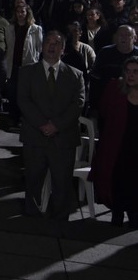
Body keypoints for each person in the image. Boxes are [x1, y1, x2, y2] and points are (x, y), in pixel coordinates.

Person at [18, 30, 85, 219]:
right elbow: (23, 100)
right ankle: (31, 217)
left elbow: (78, 104)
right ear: (41, 47)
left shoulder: (75, 75)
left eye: (56, 43)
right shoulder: (27, 72)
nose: (51, 46)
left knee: (62, 182)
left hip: (63, 138)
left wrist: (56, 125)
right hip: (35, 135)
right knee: (33, 180)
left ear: (63, 49)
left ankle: (60, 219)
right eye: (48, 42)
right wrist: (42, 124)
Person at [91, 57, 138, 227]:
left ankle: (134, 214)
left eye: (135, 72)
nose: (131, 75)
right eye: (128, 71)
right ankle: (117, 213)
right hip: (117, 145)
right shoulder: (115, 89)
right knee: (118, 179)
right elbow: (104, 111)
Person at [4, 4, 44, 123]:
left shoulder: (36, 29)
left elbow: (39, 47)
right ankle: (14, 118)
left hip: (28, 66)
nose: (20, 14)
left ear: (27, 13)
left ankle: (25, 118)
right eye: (18, 12)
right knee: (12, 93)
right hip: (13, 65)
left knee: (26, 95)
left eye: (23, 12)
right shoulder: (10, 28)